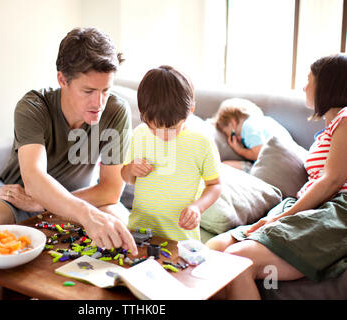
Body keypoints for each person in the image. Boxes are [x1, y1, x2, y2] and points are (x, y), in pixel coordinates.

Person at [0, 27, 138, 255]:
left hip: (80, 196)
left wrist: (44, 203)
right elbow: (34, 180)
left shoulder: (116, 111)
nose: (98, 102)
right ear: (62, 79)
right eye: (88, 91)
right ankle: (1, 291)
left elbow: (110, 191)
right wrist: (43, 201)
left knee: (121, 227)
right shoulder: (32, 107)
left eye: (105, 91)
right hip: (20, 197)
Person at [206, 53, 347, 299]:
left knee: (235, 262)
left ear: (326, 85)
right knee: (213, 249)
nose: (304, 86)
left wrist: (280, 217)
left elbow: (331, 180)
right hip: (308, 207)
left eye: (308, 79)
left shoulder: (345, 119)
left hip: (333, 211)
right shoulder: (330, 127)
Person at [121, 65, 222, 241]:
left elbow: (215, 185)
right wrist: (131, 170)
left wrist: (197, 208)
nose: (164, 135)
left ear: (190, 110)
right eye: (154, 127)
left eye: (172, 128)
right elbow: (127, 178)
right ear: (143, 115)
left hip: (180, 238)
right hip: (139, 231)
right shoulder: (140, 134)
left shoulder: (201, 142)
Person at [213, 98, 292, 172]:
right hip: (283, 162)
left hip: (275, 166)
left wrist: (239, 150)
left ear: (233, 123)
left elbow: (258, 154)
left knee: (224, 166)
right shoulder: (263, 121)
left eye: (230, 134)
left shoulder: (248, 126)